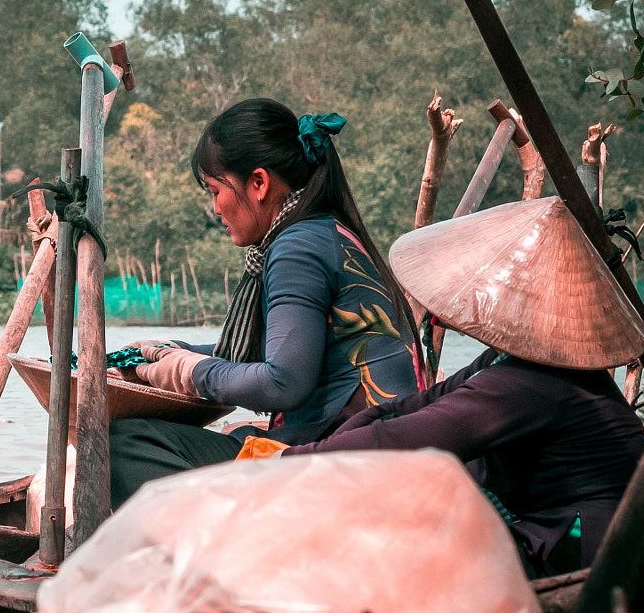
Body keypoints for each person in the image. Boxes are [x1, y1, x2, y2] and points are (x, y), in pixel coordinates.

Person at [257, 196, 644, 576]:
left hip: (575, 552)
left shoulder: (530, 382)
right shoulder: (508, 362)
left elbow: (403, 437)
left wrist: (288, 463)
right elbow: (407, 409)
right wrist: (317, 452)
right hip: (543, 528)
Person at [111, 98, 426, 505]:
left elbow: (283, 381)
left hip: (347, 466)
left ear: (259, 183)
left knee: (124, 443)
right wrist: (174, 353)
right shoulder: (325, 232)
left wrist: (191, 371)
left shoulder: (297, 247)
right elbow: (282, 351)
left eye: (216, 190)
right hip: (372, 451)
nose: (215, 208)